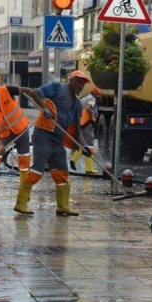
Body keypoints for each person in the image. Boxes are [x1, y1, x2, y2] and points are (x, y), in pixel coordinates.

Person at [18, 70, 91, 215]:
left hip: (57, 140)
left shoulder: (77, 104)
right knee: (38, 169)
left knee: (62, 172)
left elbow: (77, 130)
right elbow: (34, 93)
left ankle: (62, 206)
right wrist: (44, 108)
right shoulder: (57, 87)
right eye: (78, 81)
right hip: (43, 134)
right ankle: (21, 203)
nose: (81, 85)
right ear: (71, 80)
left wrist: (85, 146)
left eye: (83, 83)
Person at [69, 99, 98, 174]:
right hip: (87, 126)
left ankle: (73, 160)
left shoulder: (85, 99)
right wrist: (92, 116)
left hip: (82, 125)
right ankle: (89, 168)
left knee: (83, 145)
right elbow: (89, 108)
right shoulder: (92, 99)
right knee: (90, 146)